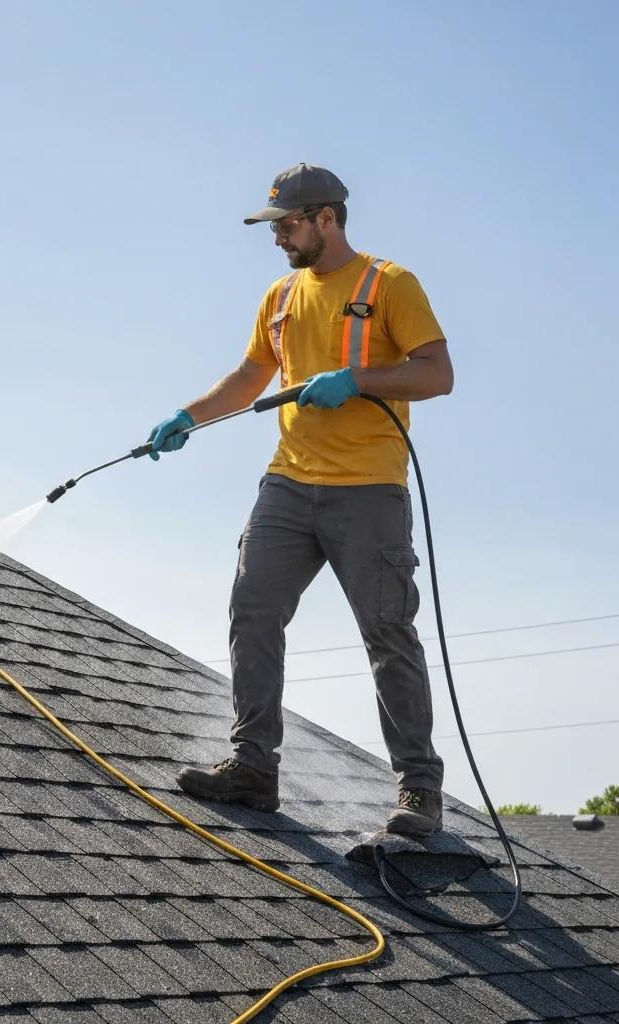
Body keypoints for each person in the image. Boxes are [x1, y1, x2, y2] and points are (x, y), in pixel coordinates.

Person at [148, 163, 453, 836]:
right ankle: (253, 766)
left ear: (326, 219)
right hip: (288, 484)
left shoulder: (389, 284)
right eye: (275, 226)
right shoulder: (280, 296)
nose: (278, 238)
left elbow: (437, 373)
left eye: (287, 225)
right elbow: (250, 376)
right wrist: (187, 418)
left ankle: (419, 792)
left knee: (387, 634)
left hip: (368, 491)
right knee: (252, 610)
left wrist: (360, 380)